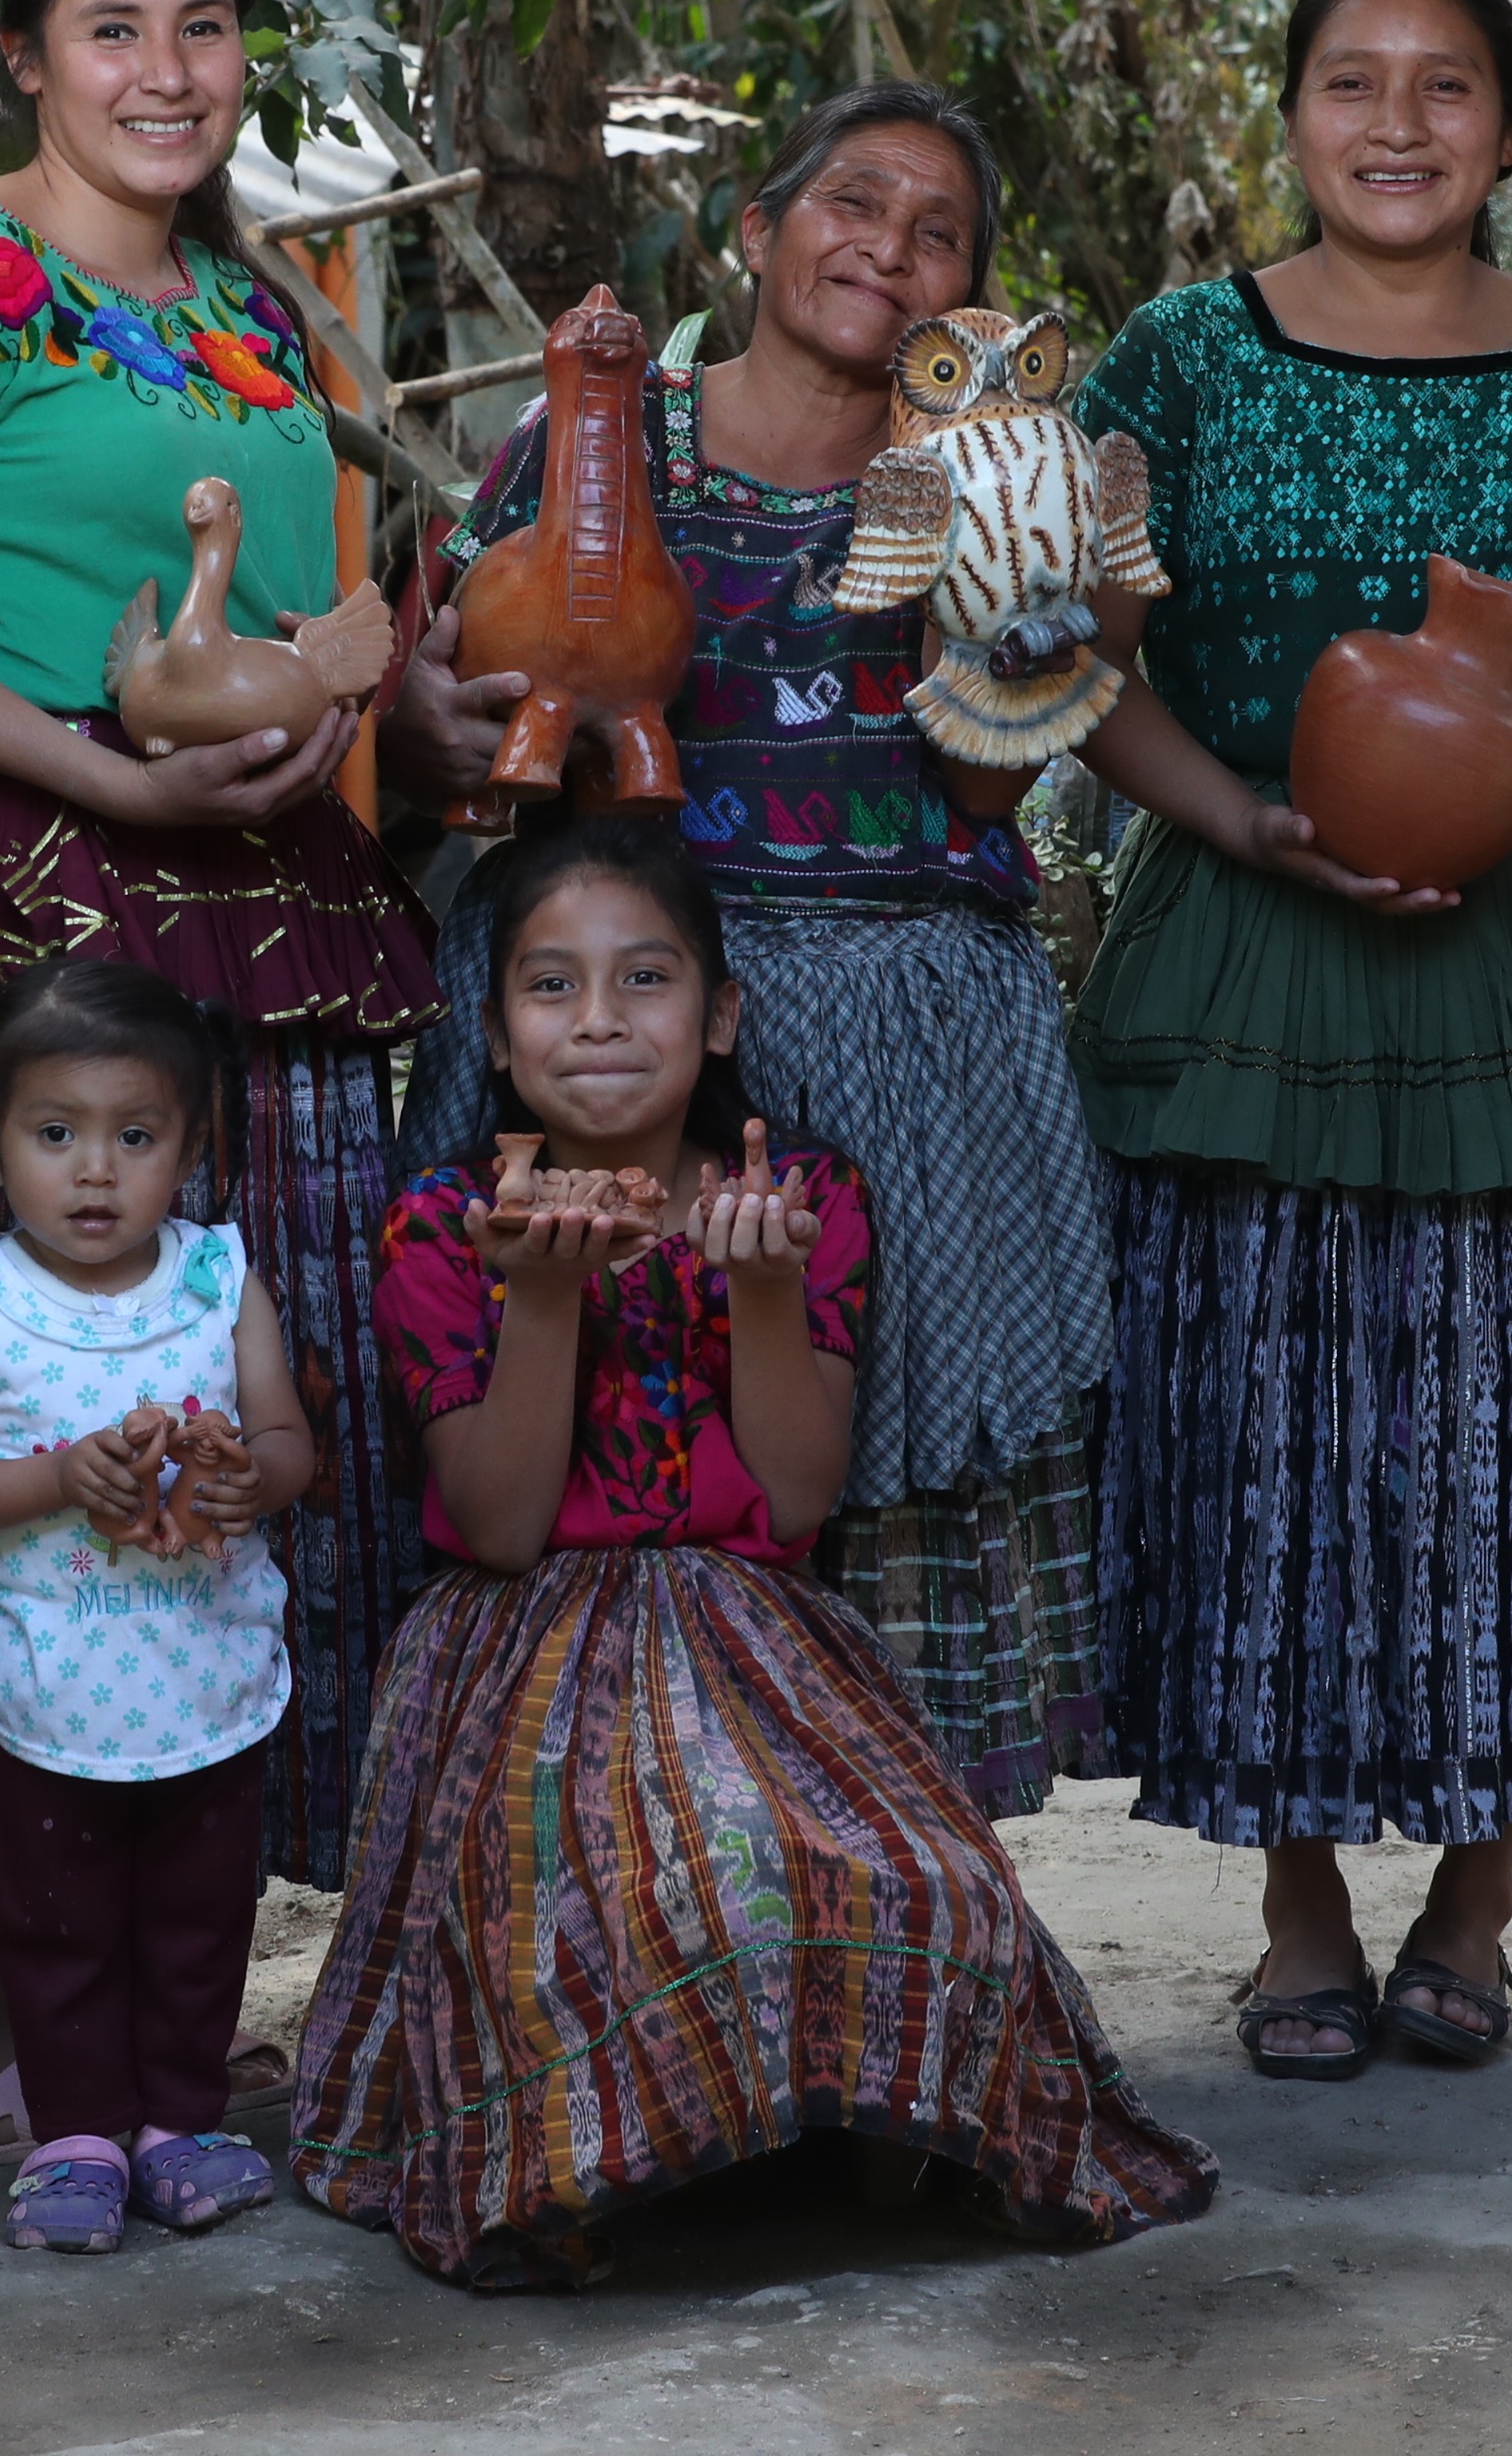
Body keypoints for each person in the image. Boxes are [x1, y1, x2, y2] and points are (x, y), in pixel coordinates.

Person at [1062, 0, 1512, 2079]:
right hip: (1257, 929)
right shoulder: (1176, 362)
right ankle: (1296, 1907)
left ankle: (1478, 1891)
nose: (1396, 124)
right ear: (1286, 117)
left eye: (1446, 85)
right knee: (1260, 1411)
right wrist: (1241, 816)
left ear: (1510, 129)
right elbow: (1065, 656)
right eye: (1352, 83)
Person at [0, 0, 439, 2168]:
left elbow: (293, 617)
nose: (167, 72)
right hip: (12, 918)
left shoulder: (266, 315)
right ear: (28, 58)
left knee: (204, 1437)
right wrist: (93, 758)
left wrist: (402, 694)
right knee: (22, 1446)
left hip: (256, 933)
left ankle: (130, 2031)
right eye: (112, 31)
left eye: (205, 27)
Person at [294, 819, 1212, 2286]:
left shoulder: (805, 1200)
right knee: (621, 1896)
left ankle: (839, 2119)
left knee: (928, 1897)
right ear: (494, 1029)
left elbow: (791, 1504)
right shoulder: (447, 1223)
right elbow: (505, 1524)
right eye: (551, 986)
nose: (598, 1019)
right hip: (520, 1646)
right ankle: (620, 2160)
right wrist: (541, 1303)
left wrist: (763, 1297)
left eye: (645, 978)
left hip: (754, 1630)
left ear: (719, 1014)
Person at [380, 80, 1114, 1816]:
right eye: (854, 203)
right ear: (756, 233)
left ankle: (894, 1922)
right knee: (580, 1444)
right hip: (604, 1025)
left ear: (972, 315)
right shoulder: (596, 436)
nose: (891, 249)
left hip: (916, 1039)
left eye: (941, 237)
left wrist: (1012, 584)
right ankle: (603, 1885)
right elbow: (456, 725)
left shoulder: (989, 478)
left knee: (882, 1484)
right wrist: (411, 718)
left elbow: (979, 788)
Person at [0, 959, 318, 2253]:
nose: (95, 1172)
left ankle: (180, 2123)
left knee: (198, 1920)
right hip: (55, 1696)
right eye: (56, 1134)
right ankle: (76, 2135)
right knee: (58, 1926)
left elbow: (290, 1441)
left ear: (192, 1144)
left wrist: (250, 1477)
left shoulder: (214, 1280)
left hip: (212, 1681)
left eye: (135, 1137)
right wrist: (64, 1477)